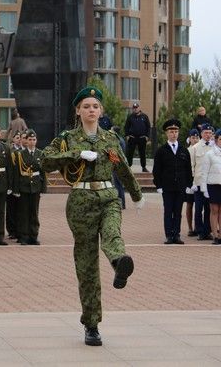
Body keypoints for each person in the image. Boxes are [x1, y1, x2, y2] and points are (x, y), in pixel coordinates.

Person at [42, 85, 143, 347]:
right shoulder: (67, 138)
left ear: (101, 111)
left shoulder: (110, 139)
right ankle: (92, 324)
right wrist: (76, 153)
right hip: (81, 202)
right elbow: (44, 160)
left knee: (113, 233)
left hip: (109, 197)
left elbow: (120, 167)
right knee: (87, 264)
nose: (91, 110)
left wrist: (136, 193)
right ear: (78, 111)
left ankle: (120, 263)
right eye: (86, 106)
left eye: (95, 106)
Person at [152, 119, 192, 244]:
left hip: (180, 186)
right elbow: (157, 169)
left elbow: (188, 169)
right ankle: (169, 235)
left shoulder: (183, 150)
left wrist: (189, 184)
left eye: (176, 131)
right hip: (167, 186)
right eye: (171, 131)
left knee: (178, 212)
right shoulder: (161, 150)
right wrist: (158, 185)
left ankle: (177, 234)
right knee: (168, 211)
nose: (174, 134)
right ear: (166, 133)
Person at [12, 129, 47, 245]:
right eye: (30, 139)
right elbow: (16, 173)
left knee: (34, 213)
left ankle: (33, 235)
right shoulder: (20, 154)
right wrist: (16, 189)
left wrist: (43, 188)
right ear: (26, 141)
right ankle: (24, 236)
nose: (32, 142)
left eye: (34, 139)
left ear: (36, 141)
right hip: (24, 186)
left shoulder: (40, 154)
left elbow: (43, 173)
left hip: (35, 186)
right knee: (24, 213)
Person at [189, 123, 214, 240]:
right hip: (198, 182)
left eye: (210, 133)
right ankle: (199, 231)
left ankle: (207, 230)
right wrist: (192, 183)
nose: (208, 135)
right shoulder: (195, 148)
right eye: (206, 133)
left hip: (210, 182)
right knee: (199, 208)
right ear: (201, 134)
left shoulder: (214, 147)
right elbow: (192, 166)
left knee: (209, 208)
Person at [123, 103, 150, 172]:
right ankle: (129, 167)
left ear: (139, 108)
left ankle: (143, 167)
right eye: (134, 108)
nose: (135, 109)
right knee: (130, 153)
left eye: (136, 107)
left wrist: (147, 136)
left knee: (142, 153)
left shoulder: (144, 116)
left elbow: (148, 127)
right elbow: (126, 127)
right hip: (132, 138)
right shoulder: (130, 117)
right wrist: (127, 136)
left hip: (142, 138)